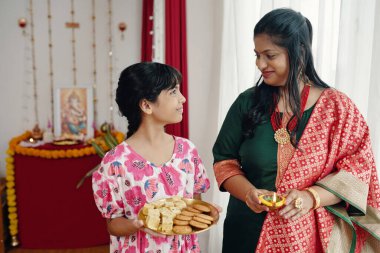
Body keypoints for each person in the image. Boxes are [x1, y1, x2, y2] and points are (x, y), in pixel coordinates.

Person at [212, 8, 380, 253]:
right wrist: (249, 193)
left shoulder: (337, 108)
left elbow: (357, 176)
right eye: (257, 55)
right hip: (247, 231)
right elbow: (224, 161)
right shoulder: (246, 102)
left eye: (270, 55)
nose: (260, 64)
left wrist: (310, 197)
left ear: (299, 52)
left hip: (308, 238)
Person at [92, 62, 211, 252]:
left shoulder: (187, 151)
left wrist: (205, 212)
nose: (183, 99)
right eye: (173, 92)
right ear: (146, 105)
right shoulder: (115, 162)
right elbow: (113, 224)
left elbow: (195, 202)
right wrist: (138, 224)